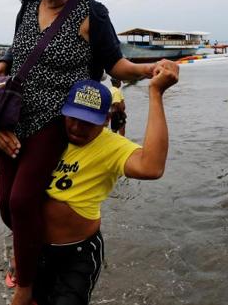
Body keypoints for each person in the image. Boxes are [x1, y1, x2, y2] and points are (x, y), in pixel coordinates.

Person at [0, 0, 160, 305]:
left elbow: (115, 62)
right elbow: (18, 50)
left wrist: (148, 72)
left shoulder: (90, 12)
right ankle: (30, 255)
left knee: (21, 200)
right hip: (18, 114)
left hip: (58, 116)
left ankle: (26, 288)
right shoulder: (28, 7)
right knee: (4, 202)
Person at [29, 63, 179, 305]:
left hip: (77, 255)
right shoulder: (50, 134)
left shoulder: (111, 146)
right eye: (73, 119)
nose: (77, 128)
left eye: (88, 122)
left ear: (106, 119)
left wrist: (156, 94)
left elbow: (152, 167)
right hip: (34, 248)